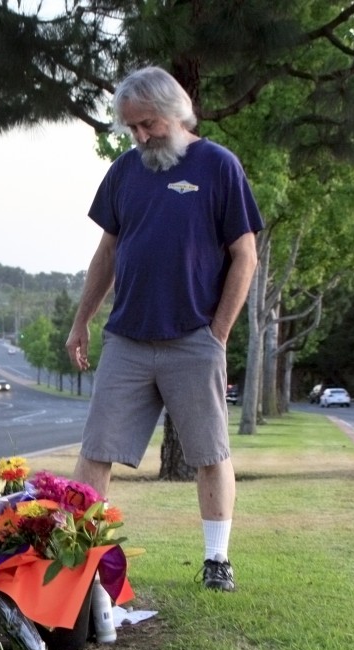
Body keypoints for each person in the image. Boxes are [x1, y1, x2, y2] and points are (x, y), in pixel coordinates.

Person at [65, 66, 263, 592]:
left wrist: (217, 332)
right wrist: (82, 320)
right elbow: (107, 251)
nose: (141, 137)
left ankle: (217, 561)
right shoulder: (125, 171)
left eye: (147, 124)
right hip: (127, 338)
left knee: (210, 453)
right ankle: (79, 558)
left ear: (177, 113)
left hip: (193, 339)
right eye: (131, 128)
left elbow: (245, 256)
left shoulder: (218, 166)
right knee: (96, 450)